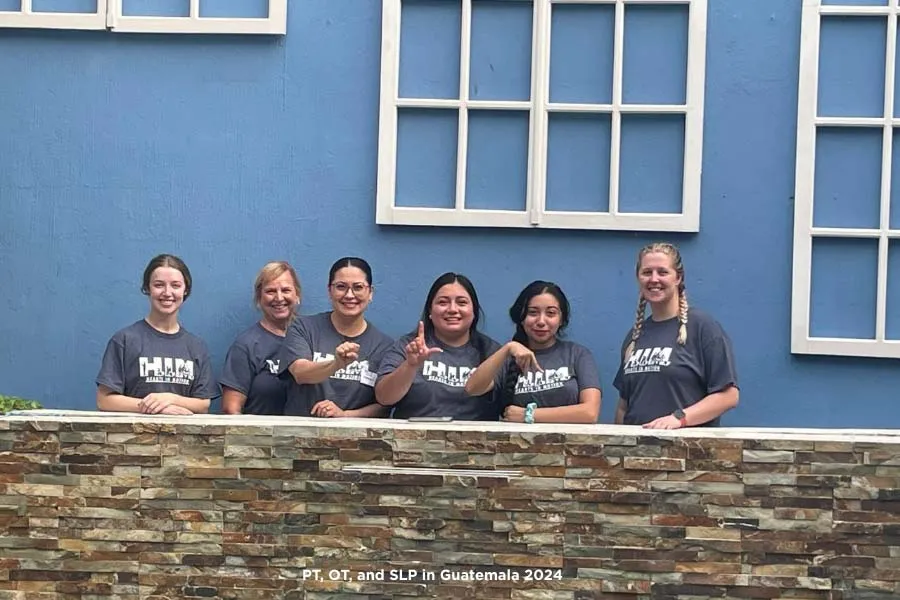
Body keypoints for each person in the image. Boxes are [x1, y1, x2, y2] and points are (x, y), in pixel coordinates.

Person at [613, 242, 739, 429]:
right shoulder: (635, 336)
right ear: (638, 278)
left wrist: (679, 418)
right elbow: (623, 406)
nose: (654, 279)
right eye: (647, 272)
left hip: (686, 452)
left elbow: (728, 396)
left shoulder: (702, 327)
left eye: (662, 272)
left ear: (678, 277)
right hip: (637, 452)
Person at [464, 280, 601, 423]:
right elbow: (472, 388)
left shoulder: (577, 354)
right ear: (521, 318)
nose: (541, 321)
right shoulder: (508, 359)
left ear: (561, 319)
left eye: (551, 313)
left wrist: (528, 415)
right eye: (533, 312)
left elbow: (590, 413)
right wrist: (508, 348)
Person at [96, 254, 217, 415]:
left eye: (175, 285)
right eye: (159, 285)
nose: (167, 292)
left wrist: (170, 398)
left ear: (185, 290)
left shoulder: (196, 346)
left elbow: (203, 404)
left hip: (184, 439)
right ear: (147, 288)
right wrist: (157, 408)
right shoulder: (125, 340)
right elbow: (104, 400)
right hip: (133, 437)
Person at [375, 272, 501, 420]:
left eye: (461, 302)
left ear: (474, 312)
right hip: (413, 440)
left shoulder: (492, 352)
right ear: (430, 311)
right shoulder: (408, 346)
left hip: (475, 442)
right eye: (443, 302)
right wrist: (410, 366)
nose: (453, 309)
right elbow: (384, 397)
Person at [279, 257, 393, 417]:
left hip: (357, 439)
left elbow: (384, 404)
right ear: (329, 291)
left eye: (358, 287)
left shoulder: (384, 346)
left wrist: (344, 415)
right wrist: (336, 364)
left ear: (370, 293)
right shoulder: (303, 327)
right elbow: (300, 373)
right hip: (301, 436)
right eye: (341, 287)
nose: (349, 295)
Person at [220, 262, 301, 415]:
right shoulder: (247, 345)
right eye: (270, 291)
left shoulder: (310, 338)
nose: (279, 297)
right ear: (259, 297)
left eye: (286, 290)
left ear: (297, 294)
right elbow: (231, 408)